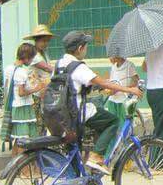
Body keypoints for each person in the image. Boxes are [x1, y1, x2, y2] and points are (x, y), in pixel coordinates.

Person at [57, 31, 142, 174]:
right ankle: (96, 156)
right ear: (80, 49)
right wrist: (131, 90)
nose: (86, 49)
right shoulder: (78, 66)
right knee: (112, 121)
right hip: (76, 111)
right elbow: (103, 82)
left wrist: (95, 86)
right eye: (86, 46)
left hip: (61, 112)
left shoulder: (60, 63)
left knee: (75, 150)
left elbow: (76, 84)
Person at [2, 43, 45, 153]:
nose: (31, 62)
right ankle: (23, 169)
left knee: (18, 138)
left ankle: (16, 167)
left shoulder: (9, 68)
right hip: (22, 108)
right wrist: (36, 88)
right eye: (31, 59)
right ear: (26, 58)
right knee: (24, 140)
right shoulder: (21, 72)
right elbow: (21, 92)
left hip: (14, 106)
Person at [25, 25, 55, 133]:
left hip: (44, 90)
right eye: (43, 41)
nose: (45, 44)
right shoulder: (34, 55)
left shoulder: (44, 54)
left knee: (45, 120)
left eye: (47, 41)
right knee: (38, 121)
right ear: (36, 41)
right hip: (35, 92)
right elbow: (47, 68)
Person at [103, 53, 139, 123]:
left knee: (124, 124)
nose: (109, 58)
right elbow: (112, 81)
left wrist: (121, 89)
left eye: (110, 56)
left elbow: (136, 82)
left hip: (124, 99)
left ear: (117, 55)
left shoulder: (129, 65)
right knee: (113, 123)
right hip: (113, 99)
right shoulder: (113, 67)